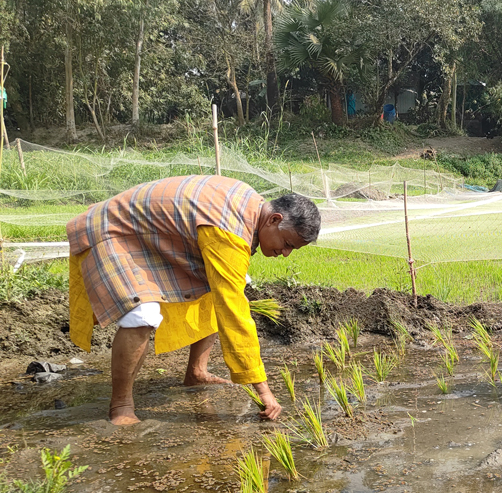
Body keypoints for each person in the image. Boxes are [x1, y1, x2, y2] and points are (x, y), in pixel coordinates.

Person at [66, 175, 321, 425]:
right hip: (113, 230)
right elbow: (234, 312)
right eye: (287, 243)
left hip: (153, 235)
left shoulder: (254, 208)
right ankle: (120, 405)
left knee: (221, 287)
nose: (285, 254)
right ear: (274, 219)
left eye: (292, 249)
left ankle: (196, 373)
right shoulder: (228, 229)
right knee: (142, 314)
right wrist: (263, 390)